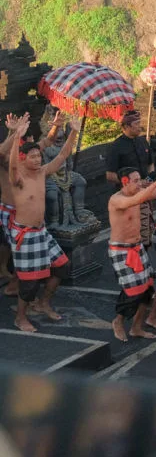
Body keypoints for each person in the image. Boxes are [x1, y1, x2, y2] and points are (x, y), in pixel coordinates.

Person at [7, 116, 79, 332]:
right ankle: (20, 317)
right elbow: (11, 166)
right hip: (25, 235)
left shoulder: (41, 173)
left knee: (63, 267)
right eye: (33, 157)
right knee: (29, 283)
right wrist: (16, 136)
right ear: (23, 158)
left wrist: (73, 132)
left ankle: (43, 303)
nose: (38, 160)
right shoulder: (18, 178)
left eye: (38, 156)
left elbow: (63, 155)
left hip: (42, 233)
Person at [107, 166, 156, 342]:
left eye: (140, 180)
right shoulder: (117, 200)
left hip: (137, 248)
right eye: (136, 181)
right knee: (133, 291)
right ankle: (118, 321)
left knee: (147, 290)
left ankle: (136, 328)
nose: (140, 183)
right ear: (125, 182)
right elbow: (139, 198)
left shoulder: (139, 194)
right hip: (121, 250)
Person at [105, 110, 155, 248]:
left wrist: (149, 179)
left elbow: (151, 164)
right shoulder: (116, 147)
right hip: (127, 196)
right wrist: (132, 183)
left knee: (147, 231)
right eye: (136, 124)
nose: (140, 126)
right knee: (132, 231)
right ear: (126, 126)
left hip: (145, 192)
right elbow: (109, 175)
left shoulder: (142, 141)